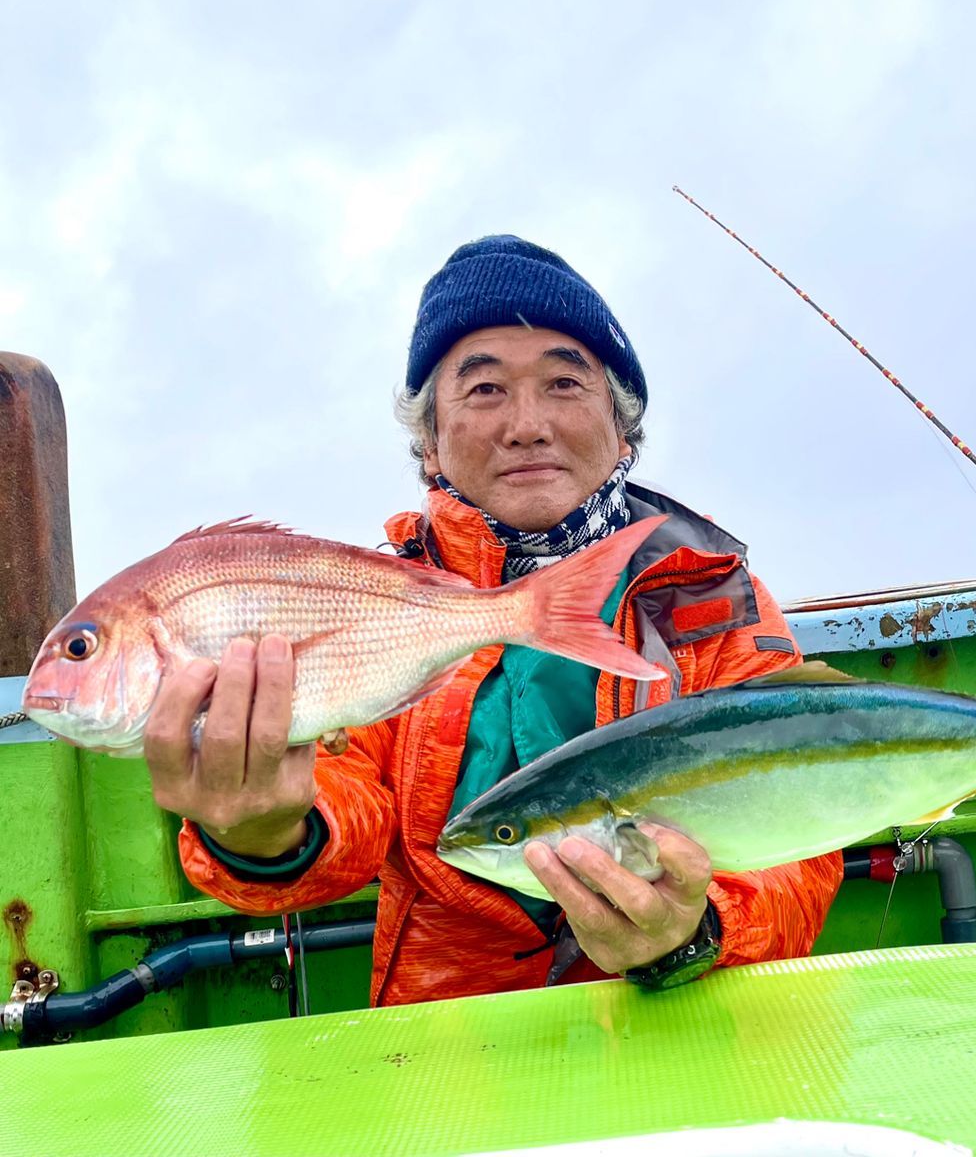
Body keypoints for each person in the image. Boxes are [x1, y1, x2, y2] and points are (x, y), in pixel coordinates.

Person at [146, 235, 843, 1005]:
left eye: (565, 384)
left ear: (623, 429)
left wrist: (696, 930)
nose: (527, 425)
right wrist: (262, 833)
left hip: (684, 1019)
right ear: (430, 442)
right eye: (483, 391)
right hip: (442, 1049)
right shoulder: (385, 605)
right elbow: (346, 808)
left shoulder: (708, 593)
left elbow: (803, 837)